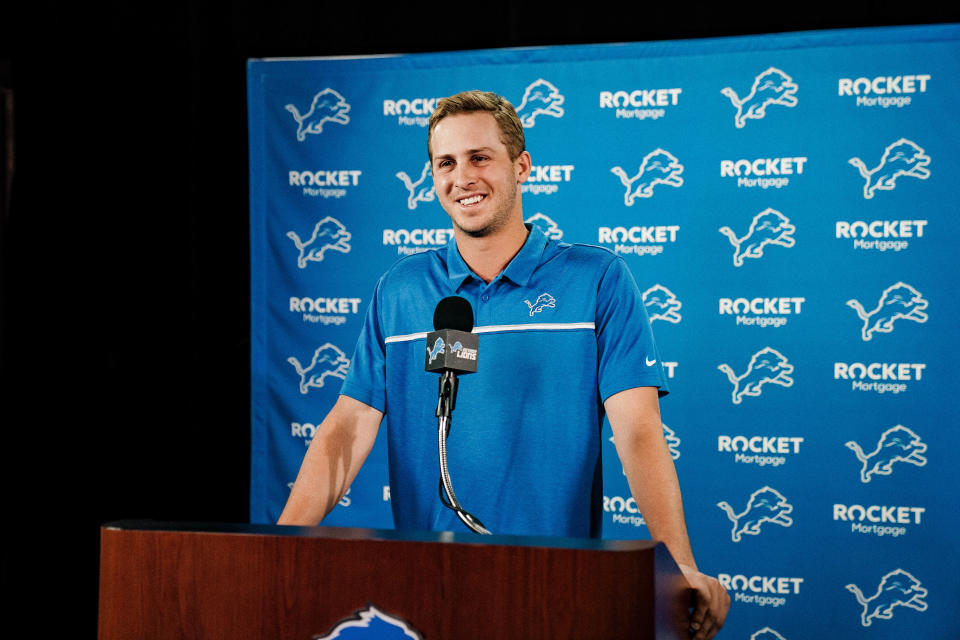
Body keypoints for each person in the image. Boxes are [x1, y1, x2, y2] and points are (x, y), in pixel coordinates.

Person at [278, 90, 729, 639]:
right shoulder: (400, 292)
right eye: (445, 163)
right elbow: (345, 431)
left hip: (556, 589)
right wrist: (279, 550)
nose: (461, 176)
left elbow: (638, 432)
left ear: (521, 166)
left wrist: (679, 563)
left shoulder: (598, 280)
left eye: (479, 158)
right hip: (427, 592)